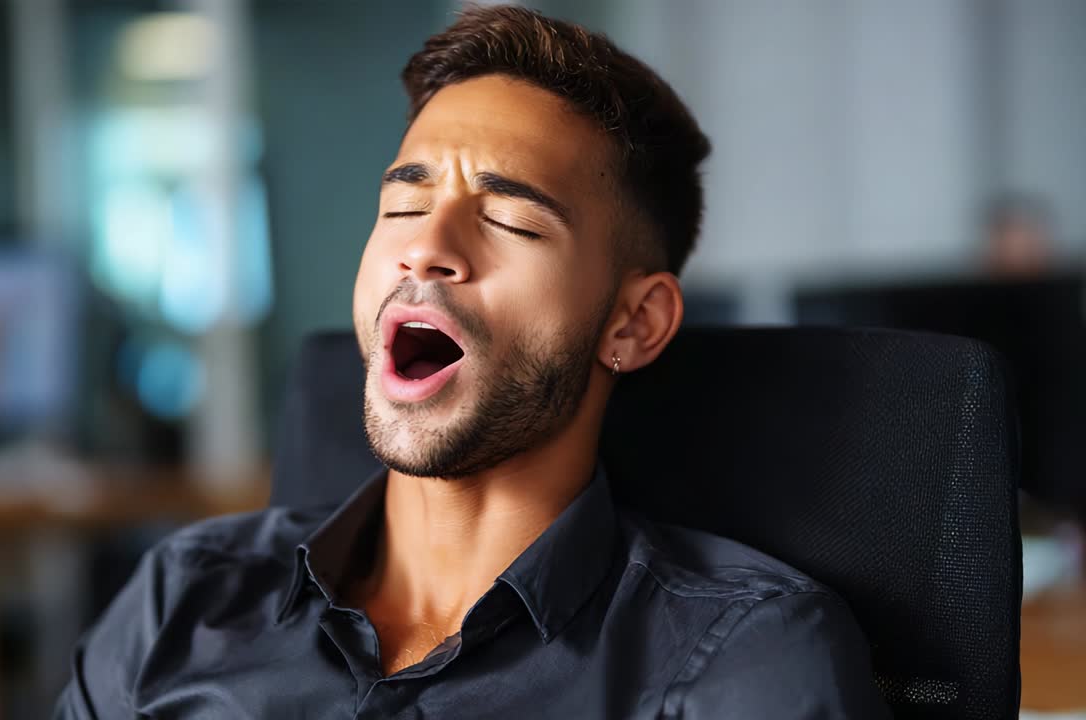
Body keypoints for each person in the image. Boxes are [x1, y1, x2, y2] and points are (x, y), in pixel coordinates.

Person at [56, 6, 889, 718]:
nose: (424, 249)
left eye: (513, 223)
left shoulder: (742, 662)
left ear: (634, 323)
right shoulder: (181, 598)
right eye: (403, 205)